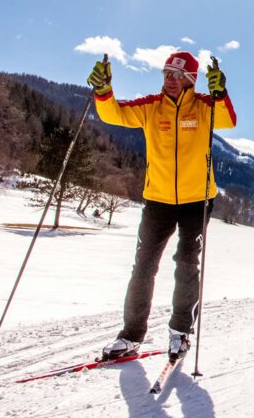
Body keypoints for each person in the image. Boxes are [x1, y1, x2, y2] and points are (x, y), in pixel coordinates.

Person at [87, 52, 237, 362]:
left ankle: (180, 332)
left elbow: (228, 120)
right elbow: (113, 114)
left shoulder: (204, 107)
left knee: (186, 264)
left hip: (197, 200)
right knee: (144, 266)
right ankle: (130, 335)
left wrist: (220, 93)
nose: (170, 79)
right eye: (166, 73)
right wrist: (103, 91)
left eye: (177, 75)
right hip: (158, 199)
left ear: (192, 80)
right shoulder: (151, 107)